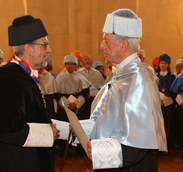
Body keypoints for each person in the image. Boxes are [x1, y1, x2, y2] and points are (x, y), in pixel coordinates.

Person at [71, 9, 167, 172]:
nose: (101, 46)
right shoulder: (123, 73)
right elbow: (109, 121)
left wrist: (99, 151)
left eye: (106, 41)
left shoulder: (139, 77)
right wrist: (81, 129)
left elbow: (138, 143)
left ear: (123, 44)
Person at [0, 15, 59, 172]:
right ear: (28, 48)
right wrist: (46, 134)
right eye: (45, 45)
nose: (49, 50)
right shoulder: (6, 78)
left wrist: (66, 129)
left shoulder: (23, 75)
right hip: (21, 163)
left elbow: (33, 116)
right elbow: (6, 131)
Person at [156, 54, 176, 149]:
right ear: (159, 64)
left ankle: (167, 145)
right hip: (157, 105)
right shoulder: (155, 76)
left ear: (168, 65)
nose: (163, 65)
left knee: (167, 125)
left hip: (168, 105)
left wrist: (164, 100)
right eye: (161, 63)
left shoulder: (172, 77)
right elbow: (153, 89)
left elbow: (173, 90)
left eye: (165, 63)